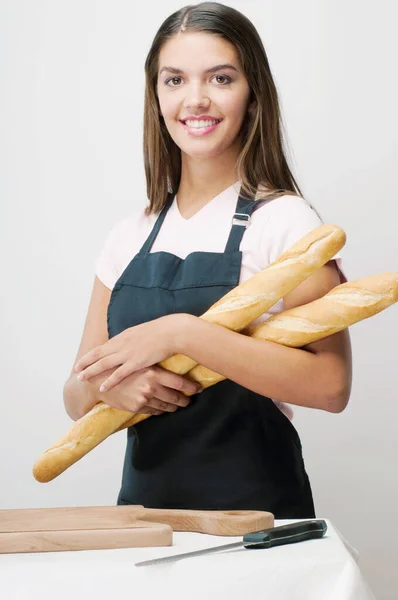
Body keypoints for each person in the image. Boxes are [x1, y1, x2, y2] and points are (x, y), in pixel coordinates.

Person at [64, 2, 352, 518]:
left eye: (220, 78)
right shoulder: (128, 235)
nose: (195, 99)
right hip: (146, 520)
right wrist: (116, 384)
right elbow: (75, 395)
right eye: (174, 80)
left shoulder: (285, 222)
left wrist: (184, 333)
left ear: (252, 93)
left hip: (258, 518)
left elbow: (331, 387)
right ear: (155, 96)